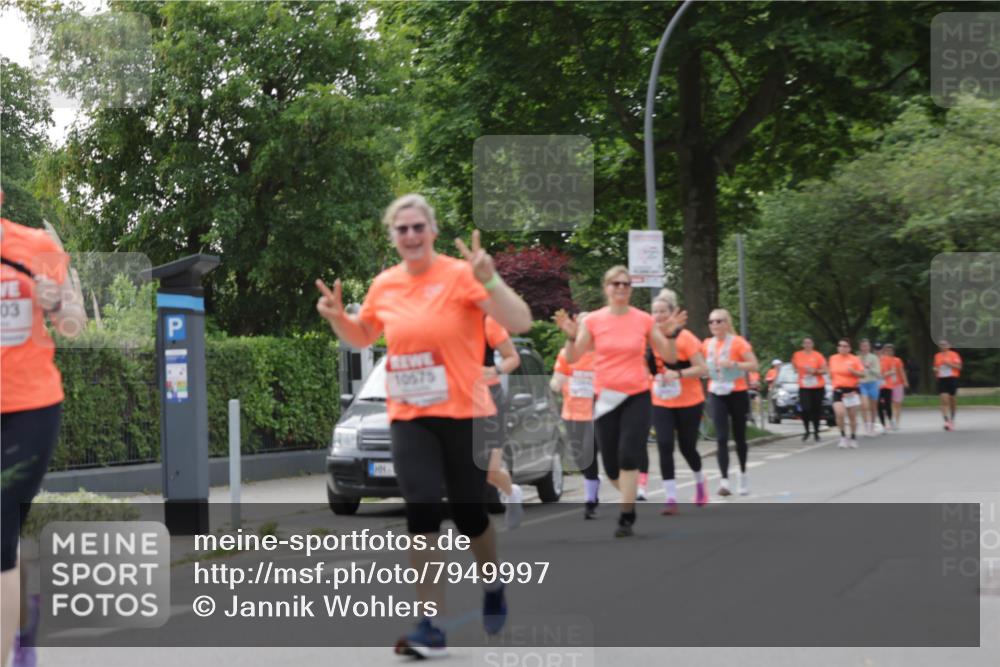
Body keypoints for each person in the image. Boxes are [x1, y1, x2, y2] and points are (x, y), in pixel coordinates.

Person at [315, 193, 532, 657]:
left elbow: (521, 320)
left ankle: (492, 584)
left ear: (432, 231)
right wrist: (338, 319)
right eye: (402, 229)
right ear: (393, 236)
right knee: (422, 507)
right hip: (410, 416)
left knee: (470, 515)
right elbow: (363, 336)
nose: (411, 235)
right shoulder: (385, 285)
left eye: (418, 227)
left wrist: (491, 279)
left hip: (466, 412)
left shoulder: (461, 275)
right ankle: (431, 624)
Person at [2, 190, 87, 667]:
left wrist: (59, 305)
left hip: (29, 409)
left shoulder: (36, 246)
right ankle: (22, 622)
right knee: (5, 534)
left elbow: (75, 323)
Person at [554, 266, 685, 537]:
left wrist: (671, 335)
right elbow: (574, 356)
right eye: (616, 283)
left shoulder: (643, 320)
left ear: (631, 289)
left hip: (636, 395)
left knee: (628, 454)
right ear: (606, 288)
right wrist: (570, 336)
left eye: (626, 284)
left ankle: (626, 515)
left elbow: (669, 356)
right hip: (606, 397)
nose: (621, 288)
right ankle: (629, 500)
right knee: (612, 466)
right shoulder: (594, 321)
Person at [646, 289, 708, 515]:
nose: (658, 315)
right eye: (655, 311)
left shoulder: (686, 338)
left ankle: (700, 482)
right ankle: (671, 498)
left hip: (689, 401)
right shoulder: (649, 339)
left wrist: (679, 374)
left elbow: (702, 369)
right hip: (661, 401)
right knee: (664, 445)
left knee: (687, 448)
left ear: (672, 314)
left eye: (663, 311)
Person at [701, 309, 758, 496]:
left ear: (727, 323)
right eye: (711, 322)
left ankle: (743, 475)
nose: (714, 325)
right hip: (716, 392)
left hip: (737, 392)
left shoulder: (738, 342)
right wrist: (704, 371)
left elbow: (754, 365)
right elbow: (700, 365)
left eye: (718, 321)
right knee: (721, 437)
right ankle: (724, 481)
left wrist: (734, 364)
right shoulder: (706, 344)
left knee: (739, 436)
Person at [549, 328, 598, 519]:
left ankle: (590, 500)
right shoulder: (567, 354)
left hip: (595, 413)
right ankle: (592, 482)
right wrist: (556, 383)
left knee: (588, 451)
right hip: (571, 413)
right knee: (578, 456)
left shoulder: (601, 356)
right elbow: (557, 379)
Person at [482, 315, 523, 528]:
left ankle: (511, 493)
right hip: (453, 399)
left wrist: (494, 370)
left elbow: (513, 358)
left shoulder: (486, 321)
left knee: (490, 469)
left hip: (488, 396)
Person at [829, 338, 865, 448]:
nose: (842, 348)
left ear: (849, 348)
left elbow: (862, 374)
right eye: (840, 345)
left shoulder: (855, 359)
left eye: (845, 346)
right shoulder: (833, 358)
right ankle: (843, 437)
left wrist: (853, 371)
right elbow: (830, 374)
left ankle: (853, 437)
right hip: (838, 390)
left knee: (852, 417)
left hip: (851, 391)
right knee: (839, 414)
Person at [792, 337, 827, 442]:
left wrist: (815, 371)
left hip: (817, 387)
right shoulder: (797, 355)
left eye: (809, 343)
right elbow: (794, 366)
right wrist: (798, 370)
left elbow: (825, 370)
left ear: (813, 344)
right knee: (805, 409)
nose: (807, 345)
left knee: (816, 410)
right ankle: (807, 430)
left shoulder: (818, 355)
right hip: (804, 387)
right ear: (803, 345)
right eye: (805, 343)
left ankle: (816, 432)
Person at [933, 339, 963, 431]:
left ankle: (952, 419)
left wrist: (949, 364)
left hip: (952, 378)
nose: (942, 346)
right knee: (944, 400)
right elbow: (936, 367)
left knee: (952, 400)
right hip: (942, 379)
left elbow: (959, 367)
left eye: (944, 344)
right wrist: (935, 369)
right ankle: (946, 421)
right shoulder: (937, 356)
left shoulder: (954, 355)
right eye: (941, 345)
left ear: (949, 346)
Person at [878, 343, 908, 431]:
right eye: (887, 350)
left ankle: (896, 423)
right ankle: (890, 422)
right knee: (888, 405)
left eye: (890, 350)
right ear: (884, 351)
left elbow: (901, 371)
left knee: (897, 404)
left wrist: (905, 381)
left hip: (897, 384)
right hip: (886, 384)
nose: (889, 352)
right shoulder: (881, 360)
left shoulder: (897, 360)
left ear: (893, 351)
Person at [857, 338, 883, 436]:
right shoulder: (856, 358)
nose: (865, 348)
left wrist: (869, 367)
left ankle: (872, 426)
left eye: (867, 346)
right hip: (862, 384)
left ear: (869, 347)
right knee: (864, 405)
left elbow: (878, 373)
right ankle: (866, 427)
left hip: (873, 383)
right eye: (863, 346)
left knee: (873, 407)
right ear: (860, 347)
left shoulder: (874, 358)